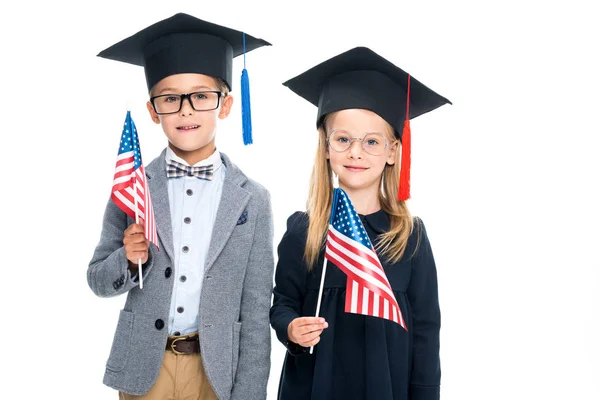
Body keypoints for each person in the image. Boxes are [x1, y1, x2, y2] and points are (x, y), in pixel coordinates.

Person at [88, 13, 274, 400]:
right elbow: (97, 279)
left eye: (201, 96)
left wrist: (250, 392)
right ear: (154, 111)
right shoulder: (134, 189)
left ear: (224, 106)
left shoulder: (253, 199)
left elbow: (256, 312)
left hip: (217, 372)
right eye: (170, 99)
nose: (186, 110)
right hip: (144, 370)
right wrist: (127, 257)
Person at [270, 46, 451, 400]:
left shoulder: (409, 237)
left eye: (371, 141)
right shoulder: (305, 232)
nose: (355, 152)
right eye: (343, 139)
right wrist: (291, 328)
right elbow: (282, 303)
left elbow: (426, 330)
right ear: (326, 146)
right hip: (314, 385)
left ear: (393, 151)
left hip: (388, 386)